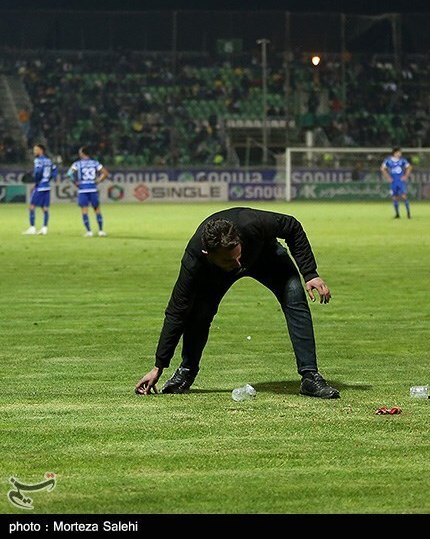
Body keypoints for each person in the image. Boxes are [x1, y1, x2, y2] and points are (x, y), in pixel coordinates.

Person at [134, 207, 340, 399]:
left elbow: (293, 226)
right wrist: (158, 366)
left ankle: (310, 377)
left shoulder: (254, 223)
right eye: (229, 260)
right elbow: (176, 311)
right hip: (216, 273)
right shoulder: (195, 260)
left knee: (295, 298)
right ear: (208, 253)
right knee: (199, 314)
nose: (238, 265)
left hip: (265, 256)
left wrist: (310, 273)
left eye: (237, 255)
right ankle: (186, 372)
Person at [67, 146, 109, 237]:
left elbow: (69, 174)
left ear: (82, 153)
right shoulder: (95, 163)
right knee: (97, 209)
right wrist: (98, 181)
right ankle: (101, 231)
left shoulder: (77, 164)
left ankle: (89, 231)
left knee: (84, 210)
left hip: (83, 189)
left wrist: (75, 183)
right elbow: (105, 173)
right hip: (92, 188)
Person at [22, 144, 58, 236]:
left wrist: (36, 180)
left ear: (41, 150)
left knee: (32, 206)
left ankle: (32, 228)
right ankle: (44, 228)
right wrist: (49, 178)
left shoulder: (38, 160)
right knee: (45, 208)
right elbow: (55, 170)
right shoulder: (49, 161)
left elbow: (38, 171)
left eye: (36, 150)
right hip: (47, 186)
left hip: (41, 186)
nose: (34, 151)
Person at [380, 147, 412, 219]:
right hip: (393, 181)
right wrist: (388, 177)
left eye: (400, 153)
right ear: (394, 153)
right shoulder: (389, 160)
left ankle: (408, 213)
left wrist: (406, 176)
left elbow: (409, 167)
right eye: (398, 152)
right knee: (395, 197)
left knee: (404, 196)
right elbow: (382, 168)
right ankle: (397, 214)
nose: (400, 154)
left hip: (400, 181)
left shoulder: (402, 160)